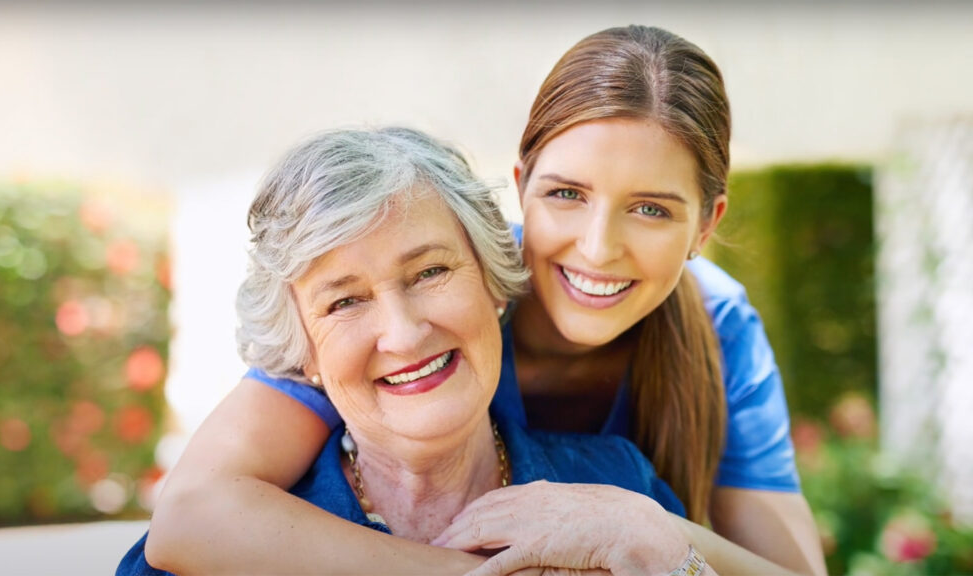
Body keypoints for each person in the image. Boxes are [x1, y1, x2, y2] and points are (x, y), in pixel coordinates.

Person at [146, 25, 826, 576]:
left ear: (705, 226)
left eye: (651, 209)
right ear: (521, 186)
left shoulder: (718, 327)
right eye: (567, 193)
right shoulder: (409, 272)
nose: (597, 249)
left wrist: (646, 529)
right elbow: (193, 513)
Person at [120, 126, 705, 576]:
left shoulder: (618, 485)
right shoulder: (208, 559)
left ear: (493, 283)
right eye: (345, 302)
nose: (402, 335)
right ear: (306, 358)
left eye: (430, 272)